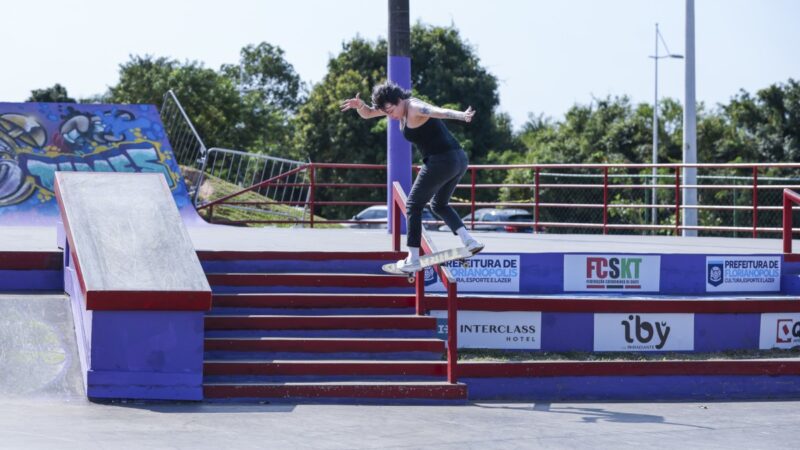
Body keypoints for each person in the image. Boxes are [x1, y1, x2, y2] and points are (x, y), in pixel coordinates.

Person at [340, 80, 484, 272]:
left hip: (441, 160)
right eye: (386, 112)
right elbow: (368, 114)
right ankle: (469, 241)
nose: (391, 116)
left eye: (391, 111)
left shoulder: (414, 107)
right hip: (458, 159)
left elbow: (437, 111)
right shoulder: (394, 107)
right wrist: (360, 106)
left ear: (399, 100)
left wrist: (461, 115)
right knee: (439, 205)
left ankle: (413, 258)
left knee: (413, 205)